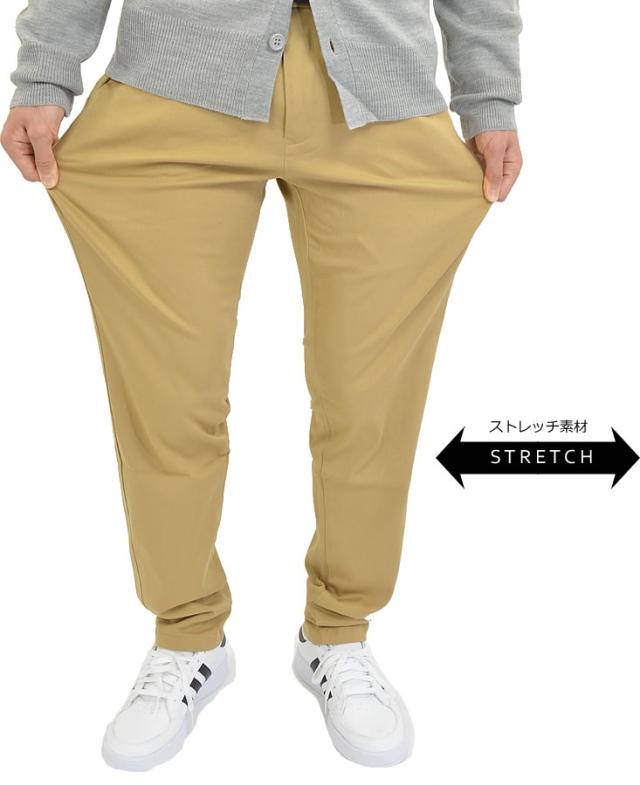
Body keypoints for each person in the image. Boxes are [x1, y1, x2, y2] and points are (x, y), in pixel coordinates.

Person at [2, 0, 523, 770]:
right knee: (168, 396)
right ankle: (188, 637)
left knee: (370, 401)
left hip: (379, 89)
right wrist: (45, 71)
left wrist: (490, 94)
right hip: (176, 82)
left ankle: (338, 632)